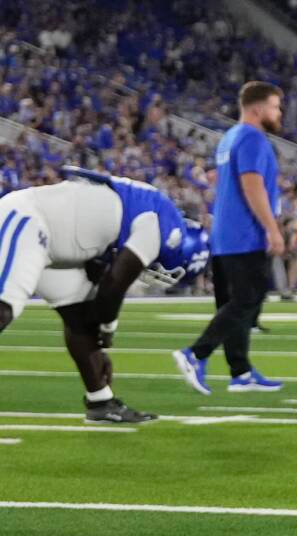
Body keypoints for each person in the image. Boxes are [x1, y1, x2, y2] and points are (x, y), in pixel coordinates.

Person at [0, 166, 204, 421]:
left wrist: (98, 342)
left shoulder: (149, 211)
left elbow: (99, 273)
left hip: (57, 246)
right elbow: (113, 287)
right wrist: (107, 331)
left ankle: (100, 402)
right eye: (169, 269)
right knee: (4, 309)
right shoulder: (158, 225)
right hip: (29, 220)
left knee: (81, 319)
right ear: (177, 245)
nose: (159, 272)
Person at [173, 81, 288, 394]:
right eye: (275, 106)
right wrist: (271, 228)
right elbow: (252, 185)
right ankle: (196, 353)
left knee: (235, 302)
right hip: (244, 234)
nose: (279, 113)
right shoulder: (252, 138)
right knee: (247, 299)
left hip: (225, 234)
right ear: (257, 108)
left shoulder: (230, 137)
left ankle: (241, 371)